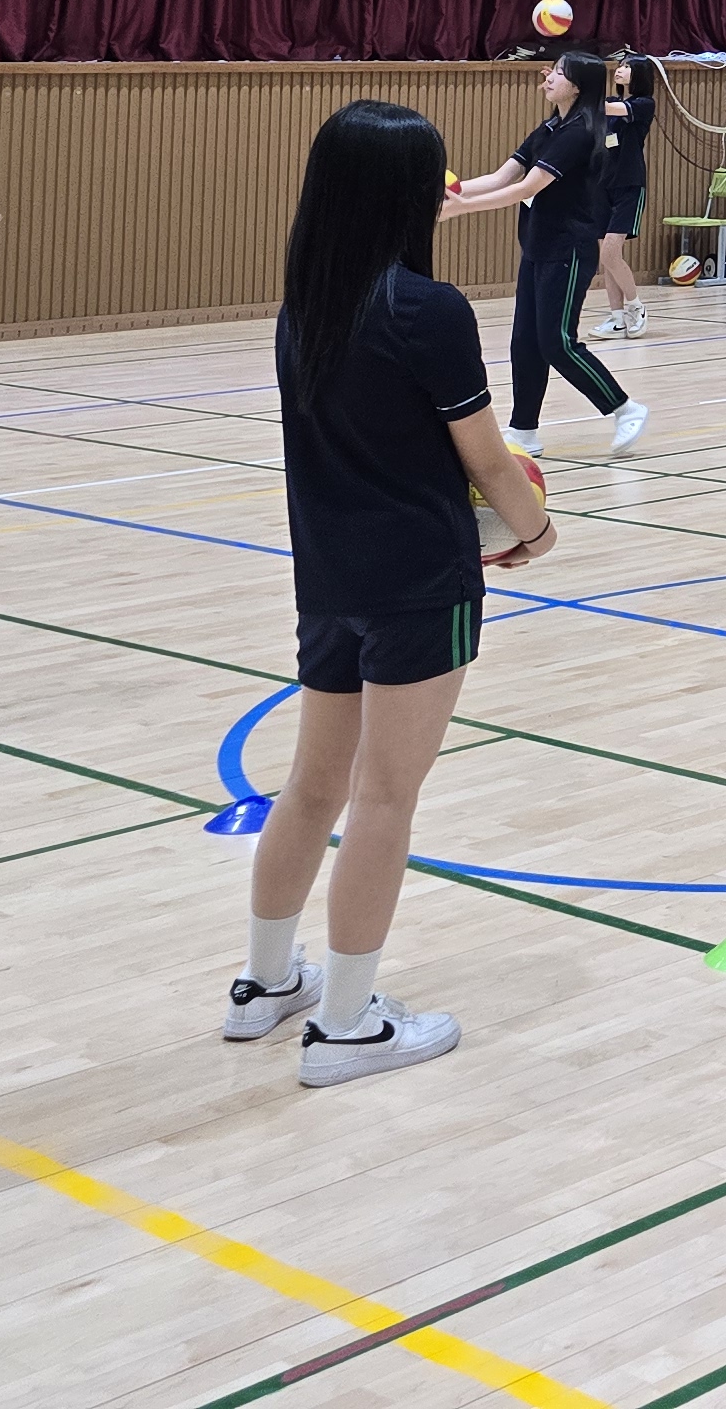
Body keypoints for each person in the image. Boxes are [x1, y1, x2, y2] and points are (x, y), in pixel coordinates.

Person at [232, 98, 552, 1086]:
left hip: (327, 580)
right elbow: (489, 462)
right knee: (383, 796)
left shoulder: (306, 307)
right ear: (411, 197)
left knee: (312, 785)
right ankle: (345, 1024)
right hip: (419, 581)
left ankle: (265, 985)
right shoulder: (429, 310)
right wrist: (534, 531)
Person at [453, 51, 640, 457]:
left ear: (577, 85)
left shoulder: (579, 132)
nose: (548, 77)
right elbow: (502, 176)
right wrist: (448, 192)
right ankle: (524, 431)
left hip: (568, 249)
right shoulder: (550, 127)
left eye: (558, 72)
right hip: (537, 245)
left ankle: (625, 407)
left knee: (557, 342)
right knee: (524, 342)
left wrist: (459, 209)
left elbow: (525, 189)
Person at [591, 50, 658, 337]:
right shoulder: (610, 102)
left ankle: (636, 306)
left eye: (627, 67)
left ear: (639, 75)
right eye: (619, 65)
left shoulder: (643, 105)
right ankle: (617, 318)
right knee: (605, 257)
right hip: (602, 185)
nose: (620, 70)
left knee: (611, 252)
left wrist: (581, 93)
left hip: (629, 185)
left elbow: (604, 110)